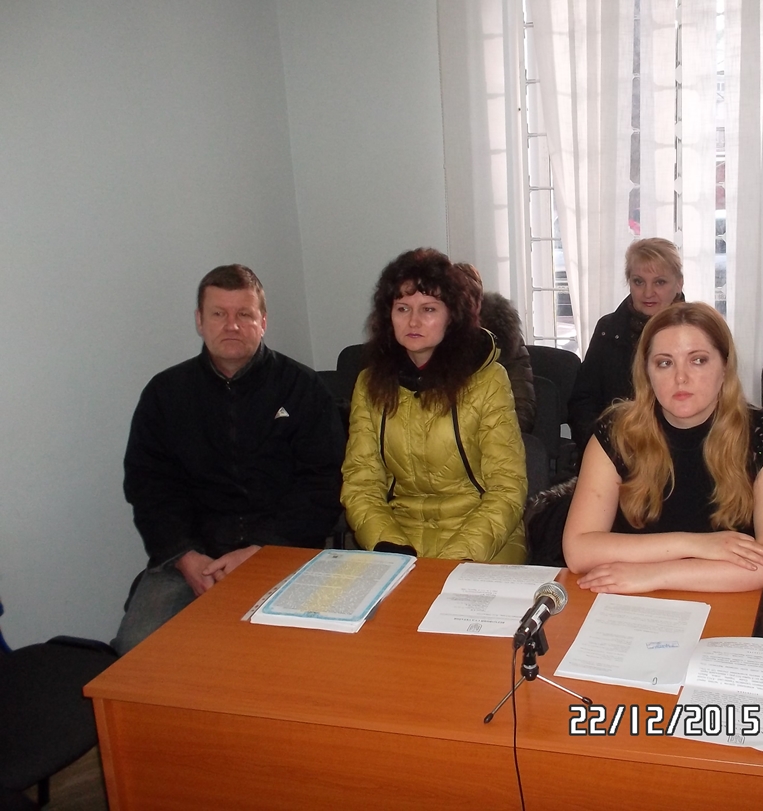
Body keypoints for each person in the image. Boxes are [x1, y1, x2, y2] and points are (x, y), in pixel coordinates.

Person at [116, 265, 345, 654]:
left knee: (302, 655)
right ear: (199, 321)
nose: (232, 325)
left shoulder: (303, 389)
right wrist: (185, 556)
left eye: (244, 314)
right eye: (219, 314)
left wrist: (261, 548)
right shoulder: (165, 395)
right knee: (137, 649)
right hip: (192, 556)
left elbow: (323, 483)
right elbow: (149, 487)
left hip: (282, 550)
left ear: (263, 322)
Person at [562, 302, 763, 594]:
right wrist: (696, 545)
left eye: (698, 360)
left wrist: (656, 575)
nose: (680, 378)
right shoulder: (617, 431)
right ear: (647, 372)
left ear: (725, 367)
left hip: (734, 598)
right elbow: (578, 551)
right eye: (665, 363)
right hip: (635, 601)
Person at [340, 248, 527, 562]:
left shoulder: (489, 380)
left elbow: (508, 488)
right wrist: (390, 546)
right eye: (402, 308)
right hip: (397, 535)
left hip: (483, 538)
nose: (413, 321)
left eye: (428, 309)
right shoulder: (369, 383)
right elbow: (361, 484)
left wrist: (458, 556)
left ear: (451, 316)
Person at [568, 238, 684, 455]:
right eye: (638, 282)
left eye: (659, 282)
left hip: (680, 451)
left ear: (679, 284)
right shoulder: (608, 329)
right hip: (614, 451)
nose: (648, 293)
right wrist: (604, 449)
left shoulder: (697, 334)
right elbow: (583, 402)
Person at [453, 262, 536, 433]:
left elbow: (521, 409)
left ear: (479, 301)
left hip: (494, 435)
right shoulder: (433, 340)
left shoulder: (505, 339)